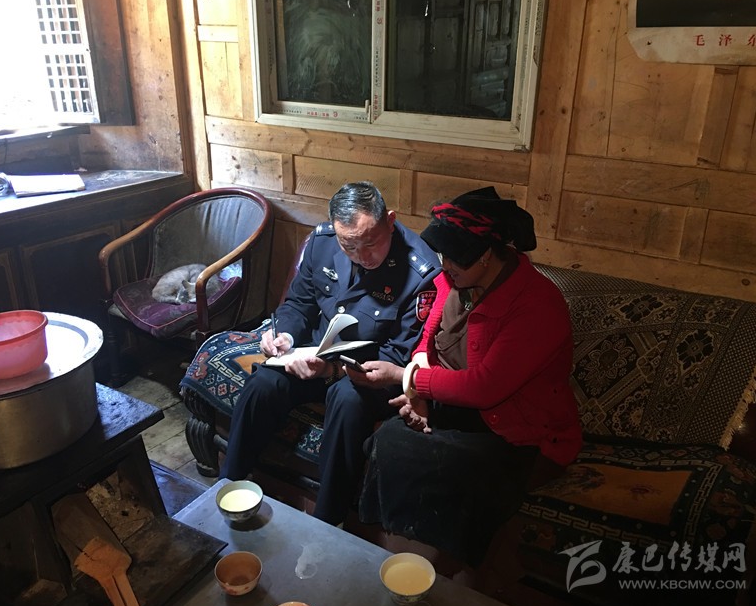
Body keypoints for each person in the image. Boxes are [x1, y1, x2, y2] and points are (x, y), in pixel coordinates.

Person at [348, 186, 582, 567]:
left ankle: (448, 571)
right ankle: (389, 553)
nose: (445, 265)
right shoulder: (454, 282)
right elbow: (427, 340)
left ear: (486, 255)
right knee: (388, 439)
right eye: (443, 255)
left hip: (520, 433)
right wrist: (419, 395)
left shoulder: (537, 305)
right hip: (465, 411)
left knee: (462, 473)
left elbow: (485, 386)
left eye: (455, 257)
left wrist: (408, 379)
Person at [220, 181, 440, 525]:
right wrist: (283, 336)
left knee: (347, 400)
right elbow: (298, 304)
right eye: (348, 245)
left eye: (371, 243)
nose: (362, 256)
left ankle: (328, 519)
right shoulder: (321, 242)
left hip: (370, 370)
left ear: (390, 221)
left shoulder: (420, 270)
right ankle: (230, 487)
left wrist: (333, 371)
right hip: (316, 353)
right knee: (264, 383)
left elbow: (401, 354)